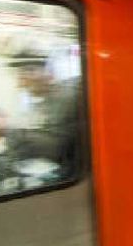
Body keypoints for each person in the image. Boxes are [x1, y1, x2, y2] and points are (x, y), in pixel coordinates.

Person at [9, 49, 82, 182]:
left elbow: (60, 146)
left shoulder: (68, 95)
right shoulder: (41, 104)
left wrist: (22, 135)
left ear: (48, 73)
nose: (22, 79)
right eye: (20, 73)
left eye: (30, 71)